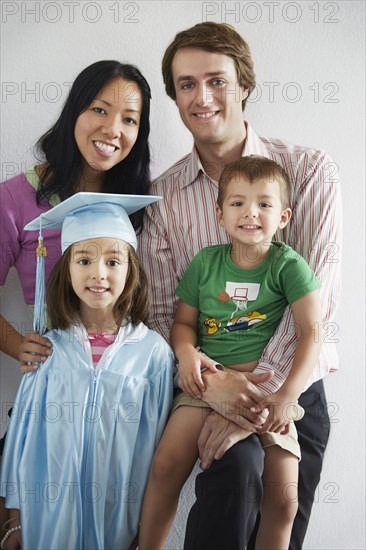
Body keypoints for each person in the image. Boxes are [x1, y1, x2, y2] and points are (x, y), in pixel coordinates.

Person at [137, 22, 341, 549]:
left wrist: (250, 399)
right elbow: (163, 315)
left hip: (290, 390)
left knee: (281, 507)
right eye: (185, 84)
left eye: (216, 81)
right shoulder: (163, 200)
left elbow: (320, 307)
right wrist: (213, 386)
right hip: (204, 383)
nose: (201, 98)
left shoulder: (307, 170)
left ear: (245, 86)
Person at [139, 156, 322, 550]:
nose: (250, 213)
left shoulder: (288, 266)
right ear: (219, 214)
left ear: (285, 216)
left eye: (264, 204)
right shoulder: (205, 263)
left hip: (265, 396)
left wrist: (286, 396)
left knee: (285, 498)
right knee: (166, 465)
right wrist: (186, 354)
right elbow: (183, 323)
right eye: (238, 203)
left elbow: (312, 333)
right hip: (206, 385)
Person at [0, 59, 152, 531]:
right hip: (49, 392)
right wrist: (15, 344)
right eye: (99, 109)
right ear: (73, 115)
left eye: (130, 119)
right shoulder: (15, 199)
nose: (113, 129)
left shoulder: (135, 200)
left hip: (118, 408)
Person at [0, 193, 174, 550]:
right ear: (66, 269)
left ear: (131, 270)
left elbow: (160, 452)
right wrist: (14, 522)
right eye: (84, 260)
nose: (99, 273)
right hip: (46, 523)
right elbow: (21, 441)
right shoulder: (48, 350)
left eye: (113, 261)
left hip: (119, 520)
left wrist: (147, 529)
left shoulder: (153, 354)